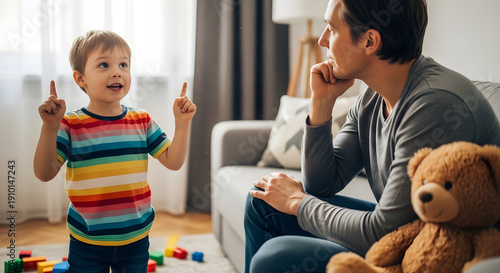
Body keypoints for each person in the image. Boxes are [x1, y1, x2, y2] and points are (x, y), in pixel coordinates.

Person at [244, 0, 500, 272]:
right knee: (263, 198)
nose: (322, 40)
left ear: (370, 41)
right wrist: (321, 104)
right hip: (400, 234)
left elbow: (384, 231)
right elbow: (321, 184)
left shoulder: (435, 104)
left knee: (275, 257)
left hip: (434, 252)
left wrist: (298, 203)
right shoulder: (372, 96)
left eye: (331, 28)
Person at [33, 30, 196, 272]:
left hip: (136, 238)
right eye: (104, 64)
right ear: (80, 78)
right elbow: (44, 173)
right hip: (87, 240)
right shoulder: (70, 124)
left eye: (123, 64)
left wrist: (182, 125)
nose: (117, 71)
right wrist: (49, 128)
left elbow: (173, 161)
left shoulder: (142, 120)